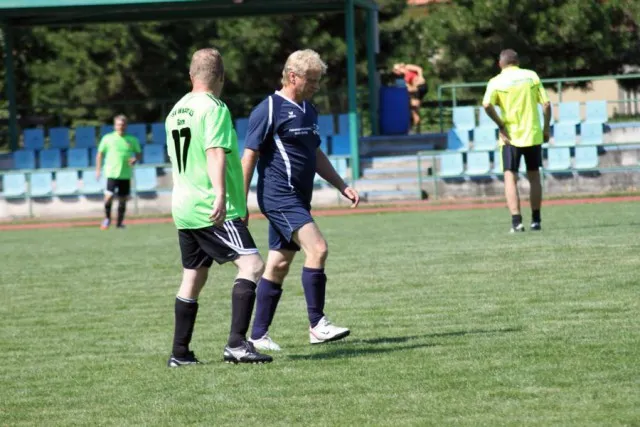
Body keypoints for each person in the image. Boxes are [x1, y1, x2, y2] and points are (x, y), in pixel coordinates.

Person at [241, 49, 360, 352]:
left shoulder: (309, 109)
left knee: (279, 264)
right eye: (312, 80)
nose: (317, 86)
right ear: (293, 76)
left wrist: (341, 185)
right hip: (279, 197)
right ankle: (317, 325)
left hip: (299, 198)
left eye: (319, 81)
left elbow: (314, 153)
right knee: (318, 249)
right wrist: (240, 203)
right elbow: (249, 156)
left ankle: (257, 336)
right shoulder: (268, 109)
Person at [165, 48, 272, 367]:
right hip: (209, 205)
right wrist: (221, 196)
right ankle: (237, 344)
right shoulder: (214, 108)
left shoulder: (176, 110)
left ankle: (180, 353)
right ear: (222, 77)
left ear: (191, 76)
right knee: (252, 266)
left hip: (183, 206)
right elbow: (214, 152)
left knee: (193, 276)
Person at [482, 49, 551, 233]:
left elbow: (486, 104)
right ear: (517, 62)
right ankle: (536, 221)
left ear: (500, 63)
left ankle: (516, 222)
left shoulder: (496, 81)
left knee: (510, 178)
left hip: (510, 137)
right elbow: (546, 104)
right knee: (534, 177)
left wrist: (500, 125)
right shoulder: (531, 76)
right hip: (533, 134)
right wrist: (546, 128)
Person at [95, 115, 142, 229]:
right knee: (108, 197)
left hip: (125, 174)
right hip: (111, 173)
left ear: (126, 126)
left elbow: (138, 153)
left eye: (123, 124)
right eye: (118, 124)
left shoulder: (132, 139)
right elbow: (100, 154)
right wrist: (98, 169)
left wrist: (135, 159)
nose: (120, 127)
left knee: (123, 199)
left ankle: (119, 223)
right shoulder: (107, 138)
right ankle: (107, 219)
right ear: (114, 126)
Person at [392, 63, 427, 132]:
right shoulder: (402, 78)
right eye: (395, 71)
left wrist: (420, 76)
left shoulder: (407, 67)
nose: (397, 72)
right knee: (415, 110)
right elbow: (409, 88)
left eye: (396, 70)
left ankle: (413, 128)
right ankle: (415, 129)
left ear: (400, 68)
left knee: (414, 110)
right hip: (417, 90)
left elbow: (419, 69)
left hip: (420, 87)